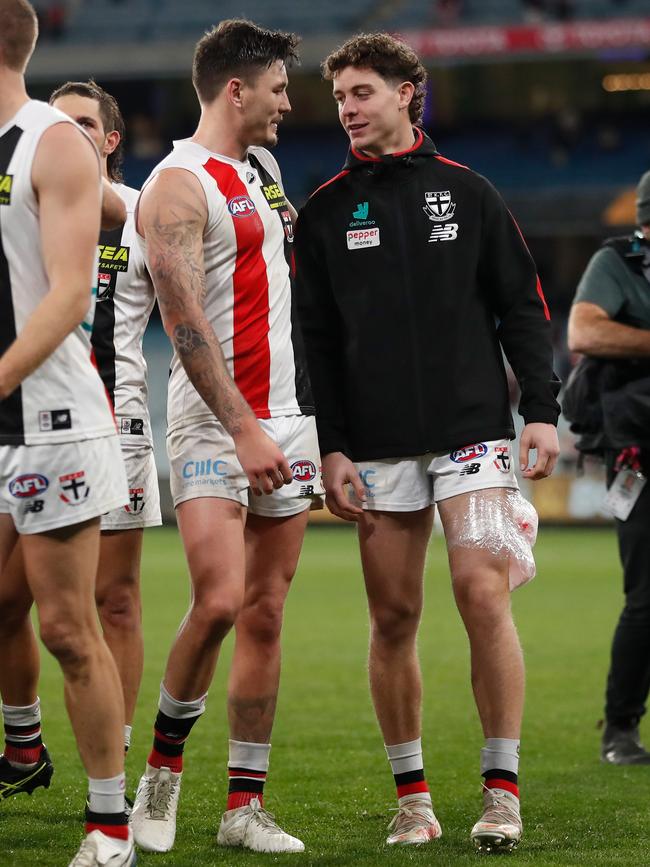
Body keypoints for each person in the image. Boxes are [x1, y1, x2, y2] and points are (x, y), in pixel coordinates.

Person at [294, 32, 560, 853]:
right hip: (373, 446)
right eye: (340, 96)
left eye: (363, 92)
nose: (347, 108)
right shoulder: (326, 209)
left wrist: (542, 409)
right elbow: (316, 341)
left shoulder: (469, 192)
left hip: (472, 431)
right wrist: (330, 446)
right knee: (395, 613)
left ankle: (501, 789)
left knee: (483, 593)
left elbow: (522, 305)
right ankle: (413, 797)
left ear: (410, 92)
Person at [130, 19, 322, 855]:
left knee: (267, 612)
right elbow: (181, 316)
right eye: (278, 87)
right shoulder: (176, 184)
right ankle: (161, 776)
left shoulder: (266, 170)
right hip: (216, 421)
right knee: (217, 601)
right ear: (235, 89)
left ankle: (244, 806)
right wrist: (244, 429)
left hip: (289, 416)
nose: (288, 101)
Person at [0, 2, 134, 865]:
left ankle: (110, 824)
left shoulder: (54, 142)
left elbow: (68, 294)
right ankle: (23, 746)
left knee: (68, 628)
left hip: (46, 417)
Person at [567, 170, 650, 765]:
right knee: (648, 597)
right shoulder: (621, 261)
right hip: (641, 453)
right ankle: (620, 728)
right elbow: (583, 329)